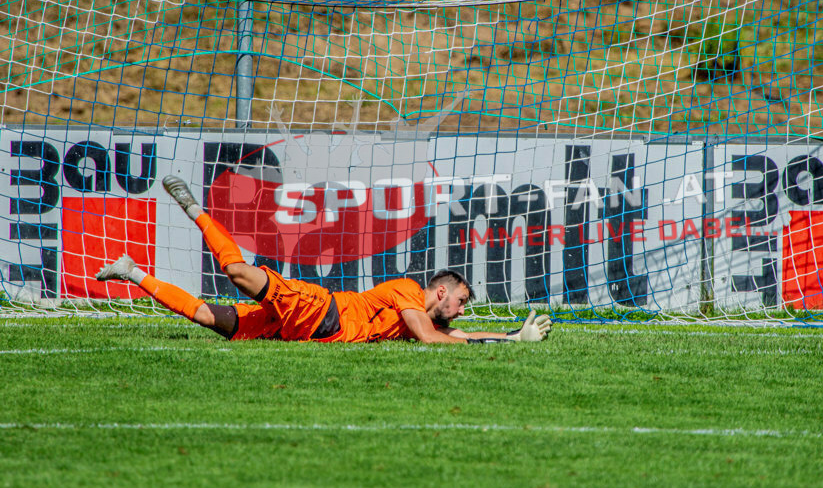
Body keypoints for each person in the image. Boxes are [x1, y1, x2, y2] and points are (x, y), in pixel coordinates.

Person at [95, 176, 552, 345]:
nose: (463, 309)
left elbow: (465, 335)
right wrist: (485, 340)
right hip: (319, 311)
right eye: (461, 300)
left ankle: (131, 270)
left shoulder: (431, 317)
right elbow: (434, 339)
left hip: (297, 333)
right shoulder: (408, 294)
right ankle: (195, 209)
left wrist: (515, 338)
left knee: (207, 318)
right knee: (237, 273)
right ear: (440, 291)